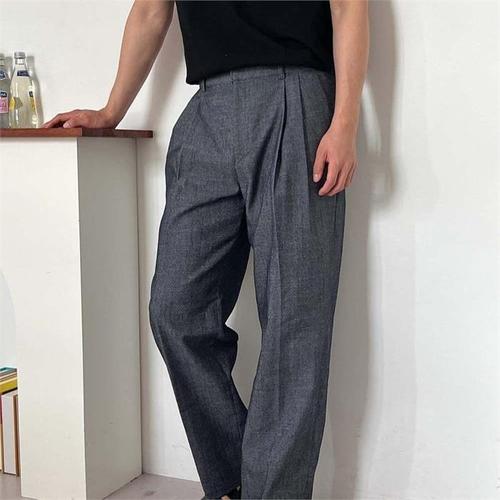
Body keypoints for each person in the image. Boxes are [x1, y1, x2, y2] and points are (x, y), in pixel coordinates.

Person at [42, 1, 369, 498]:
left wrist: (344, 123)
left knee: (295, 319)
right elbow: (151, 11)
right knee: (176, 310)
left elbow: (347, 7)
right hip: (207, 108)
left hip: (296, 94)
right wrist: (111, 111)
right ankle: (238, 481)